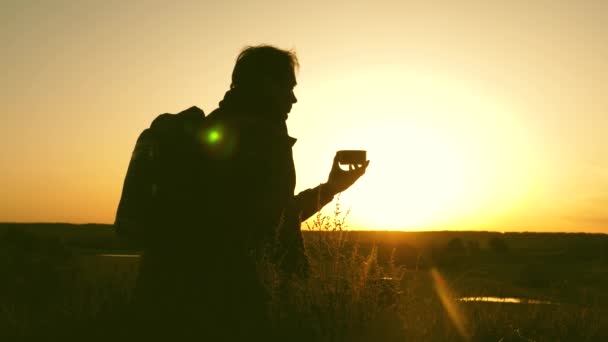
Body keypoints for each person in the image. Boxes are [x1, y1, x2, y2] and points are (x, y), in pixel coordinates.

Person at [116, 45, 368, 340]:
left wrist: (330, 188)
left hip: (170, 298)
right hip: (228, 306)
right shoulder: (261, 138)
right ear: (265, 85)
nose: (293, 98)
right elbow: (278, 220)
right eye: (287, 87)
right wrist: (331, 189)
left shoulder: (211, 128)